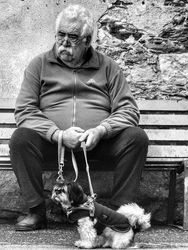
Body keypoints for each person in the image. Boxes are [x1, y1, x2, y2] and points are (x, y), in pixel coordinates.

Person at [9, 4, 149, 231]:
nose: (64, 42)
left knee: (137, 138)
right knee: (20, 139)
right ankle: (36, 211)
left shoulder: (108, 67)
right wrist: (58, 135)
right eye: (60, 35)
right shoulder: (39, 65)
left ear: (87, 40)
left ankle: (114, 216)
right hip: (52, 145)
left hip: (98, 143)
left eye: (72, 37)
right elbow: (24, 110)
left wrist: (101, 130)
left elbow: (129, 110)